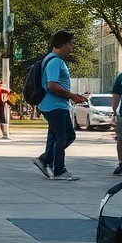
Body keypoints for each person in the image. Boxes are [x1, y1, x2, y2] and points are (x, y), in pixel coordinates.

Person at [32, 30, 86, 181]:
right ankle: (57, 169)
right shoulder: (55, 61)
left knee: (55, 137)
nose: (71, 47)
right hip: (55, 105)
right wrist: (72, 95)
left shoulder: (50, 59)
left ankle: (46, 161)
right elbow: (52, 86)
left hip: (52, 105)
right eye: (70, 44)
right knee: (66, 136)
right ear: (62, 44)